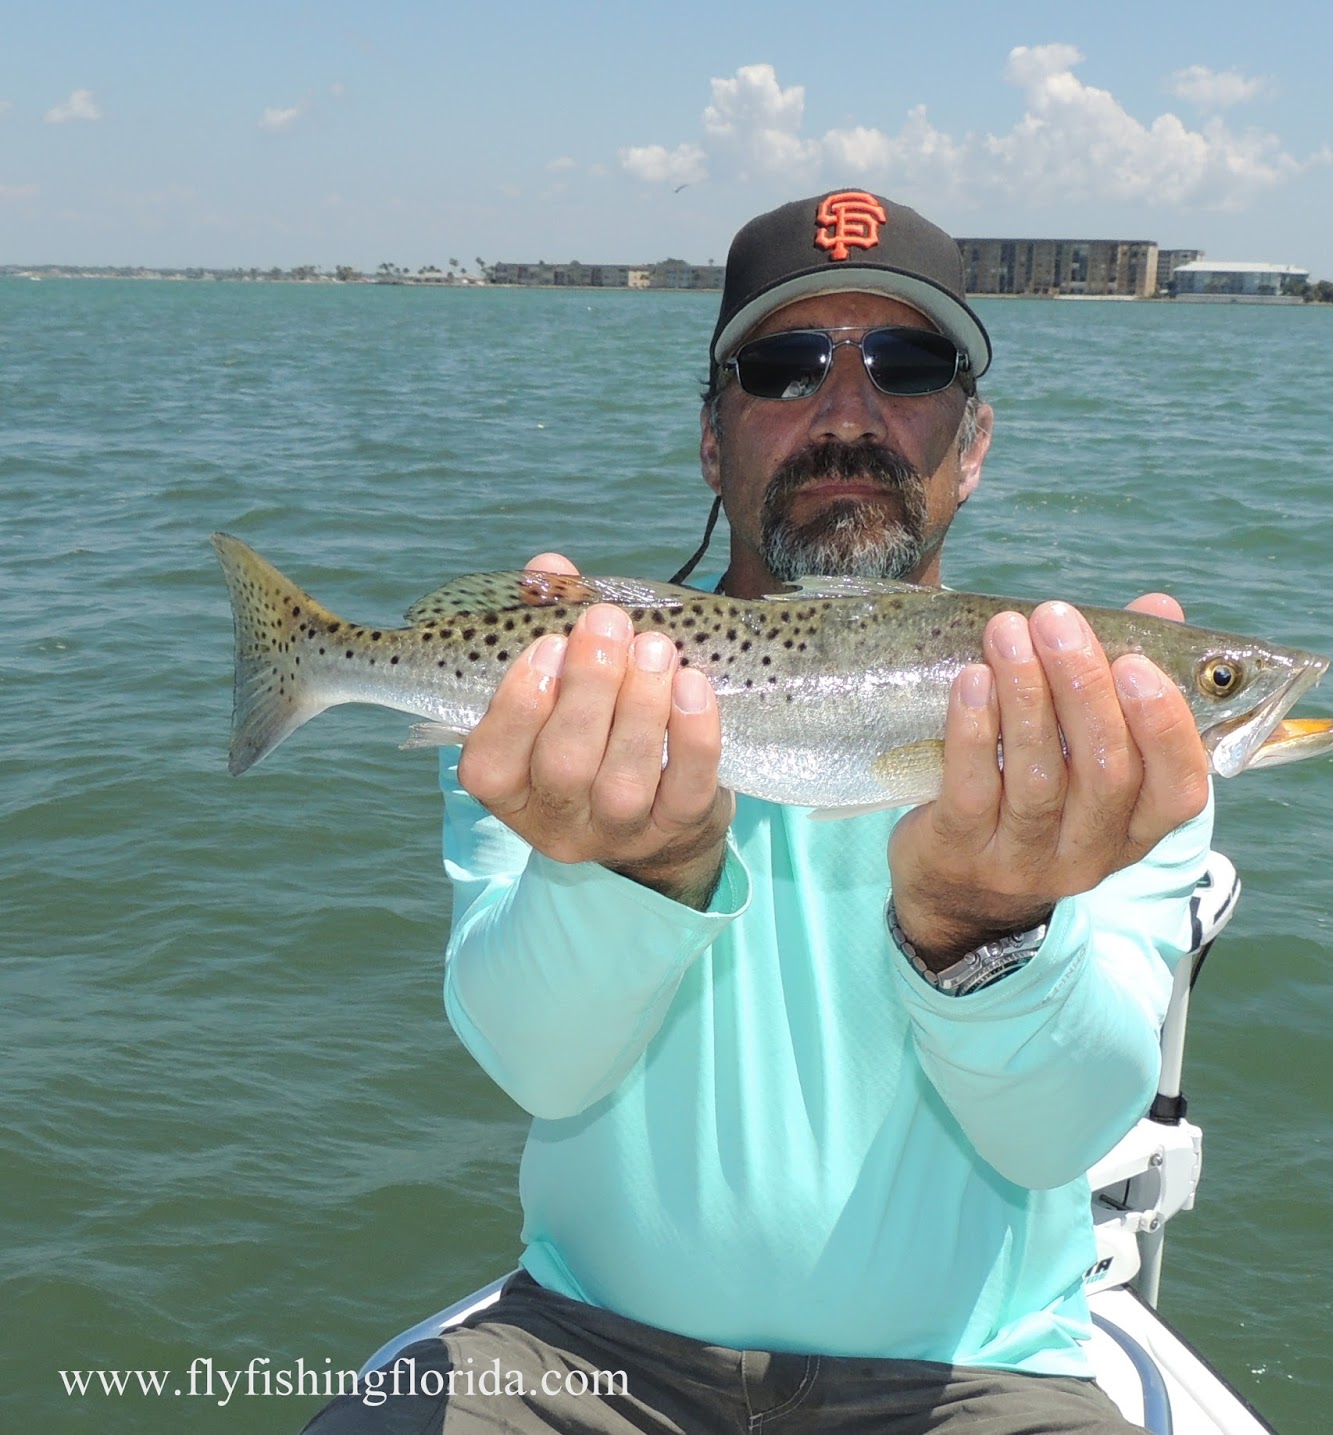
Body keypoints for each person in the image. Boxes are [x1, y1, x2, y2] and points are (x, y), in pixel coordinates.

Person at [301, 189, 1212, 1434]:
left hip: (979, 1372)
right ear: (711, 443)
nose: (846, 412)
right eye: (784, 368)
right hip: (583, 1353)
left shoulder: (1101, 742)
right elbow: (536, 1061)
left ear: (977, 438)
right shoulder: (575, 696)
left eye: (907, 362)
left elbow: (1061, 1132)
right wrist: (634, 875)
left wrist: (980, 923)